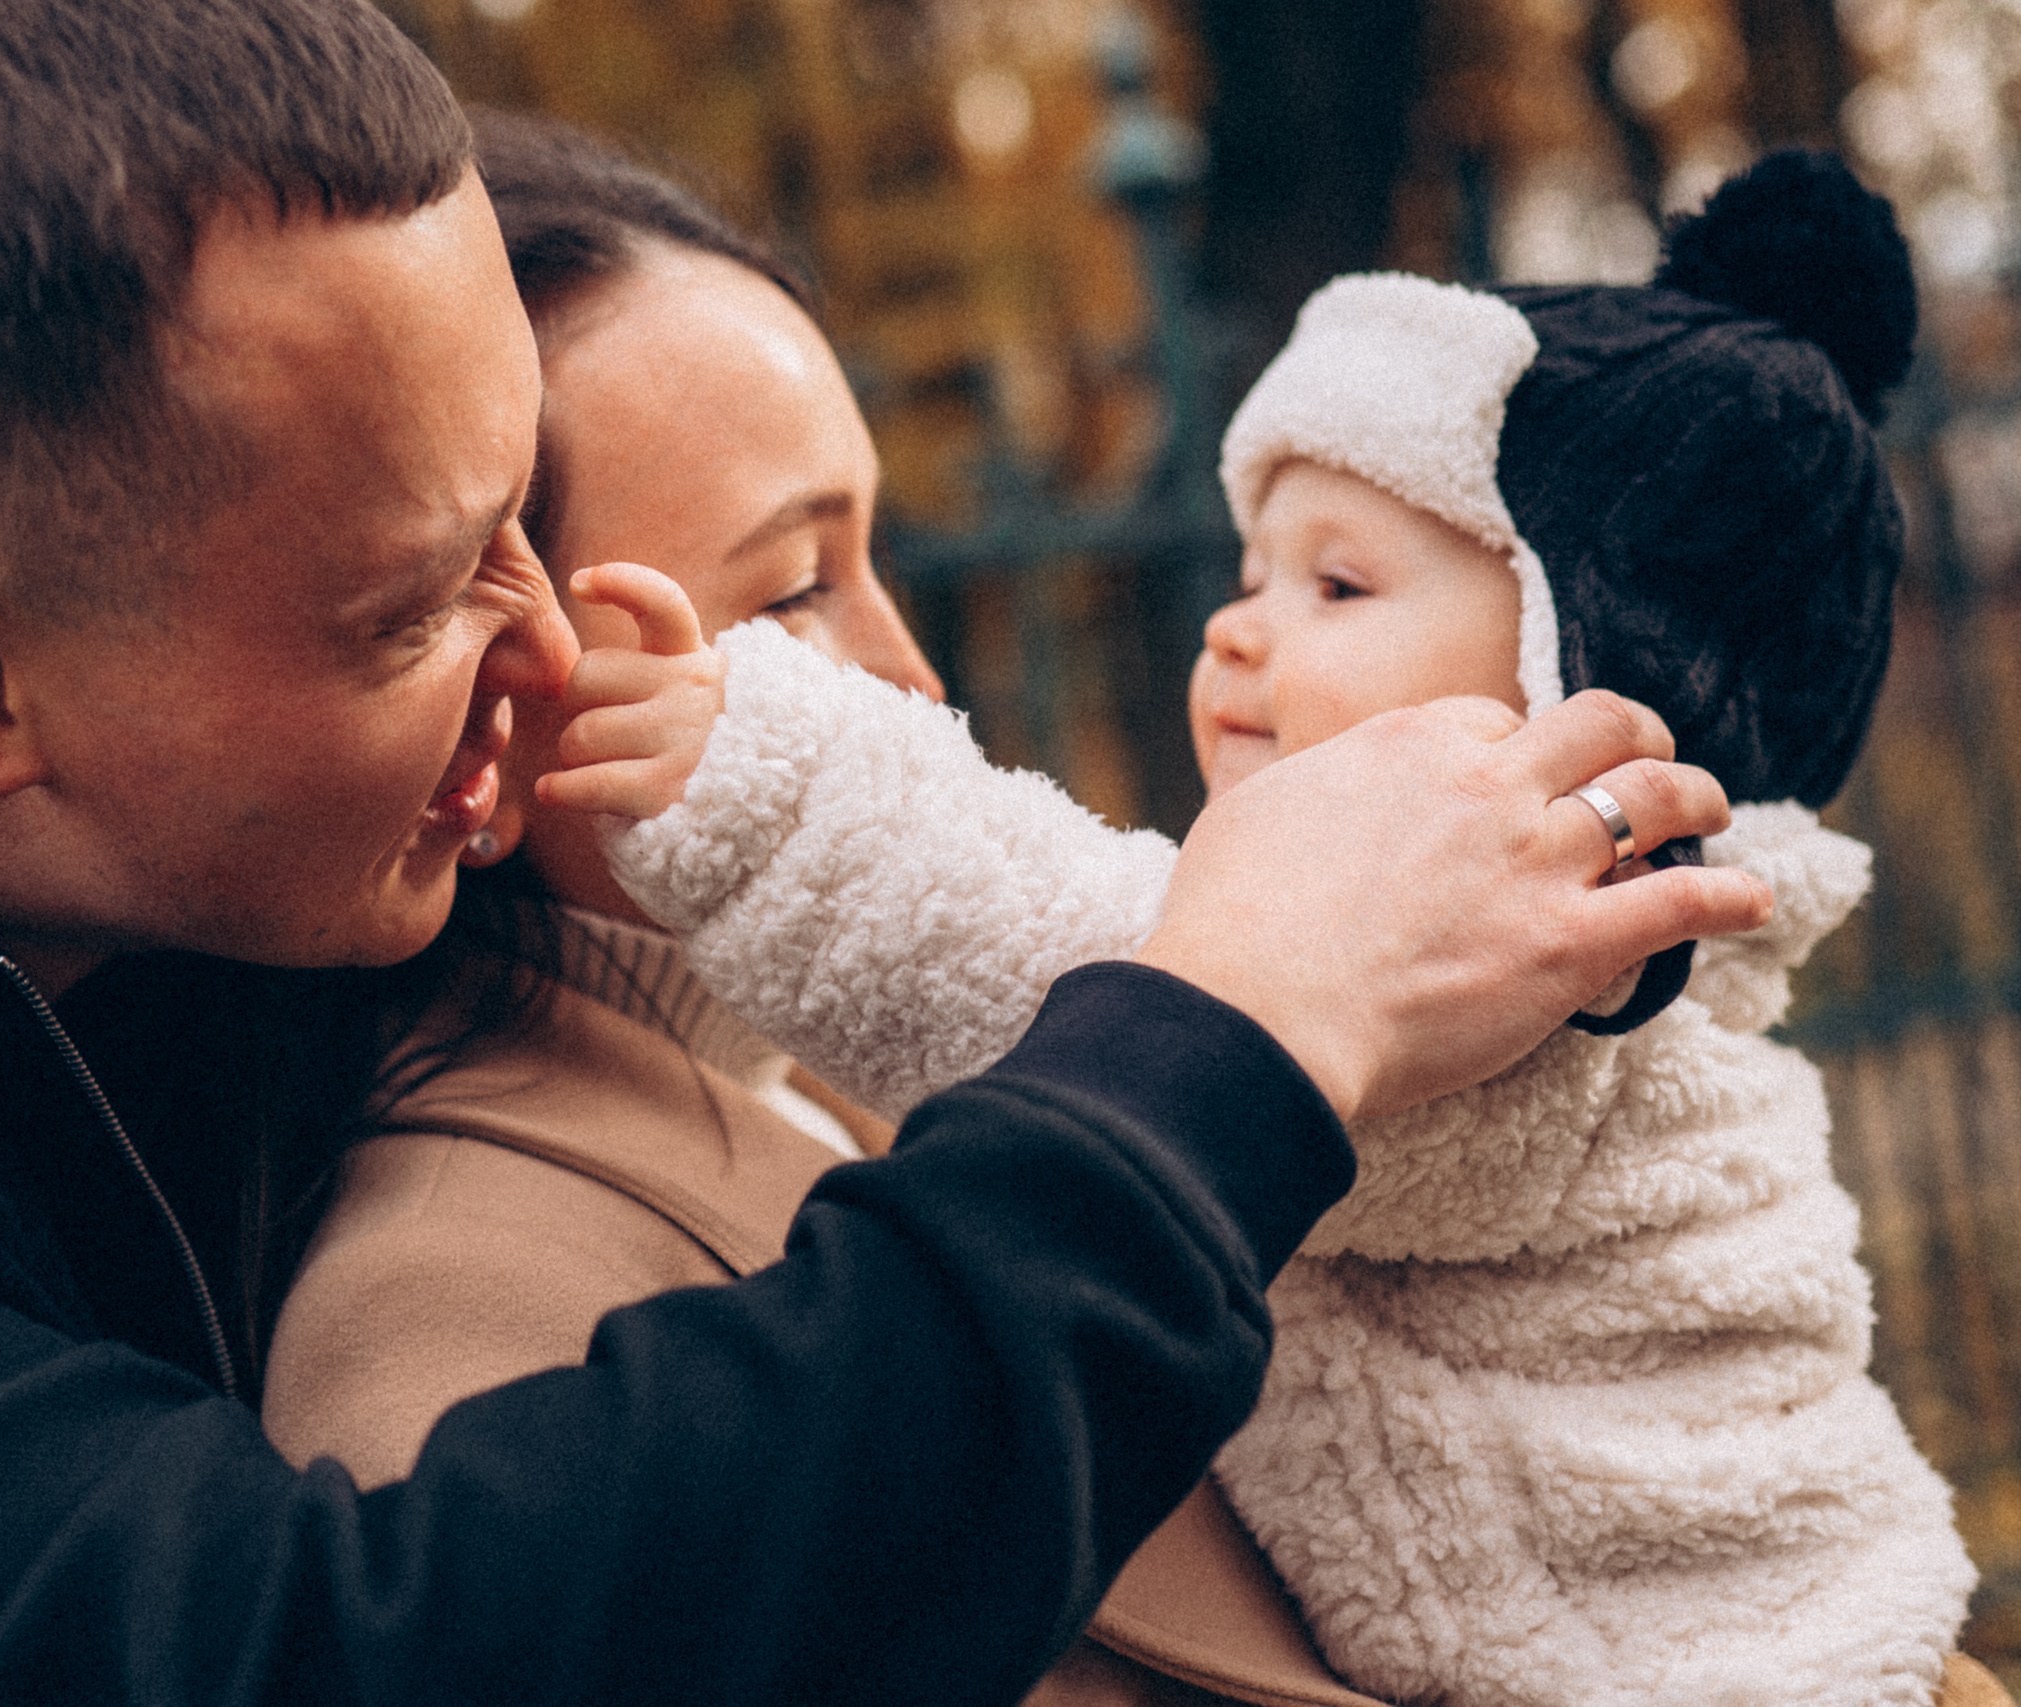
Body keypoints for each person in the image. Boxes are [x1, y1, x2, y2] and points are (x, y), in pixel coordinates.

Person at [0, 3, 1763, 1703]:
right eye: (413, 600)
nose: (551, 655)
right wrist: (1227, 1039)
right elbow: (348, 1649)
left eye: (524, 527)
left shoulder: (153, 923)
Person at [498, 153, 2010, 1706]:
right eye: (794, 597)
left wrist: (766, 776)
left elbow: (1080, 980)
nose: (1236, 625)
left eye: (1341, 585)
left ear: (1587, 700)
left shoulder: (1562, 997)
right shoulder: (478, 1279)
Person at [259, 111, 1371, 1707]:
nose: (916, 676)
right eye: (790, 589)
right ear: (493, 698)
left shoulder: (897, 1041)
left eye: (874, 555)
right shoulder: (453, 1323)